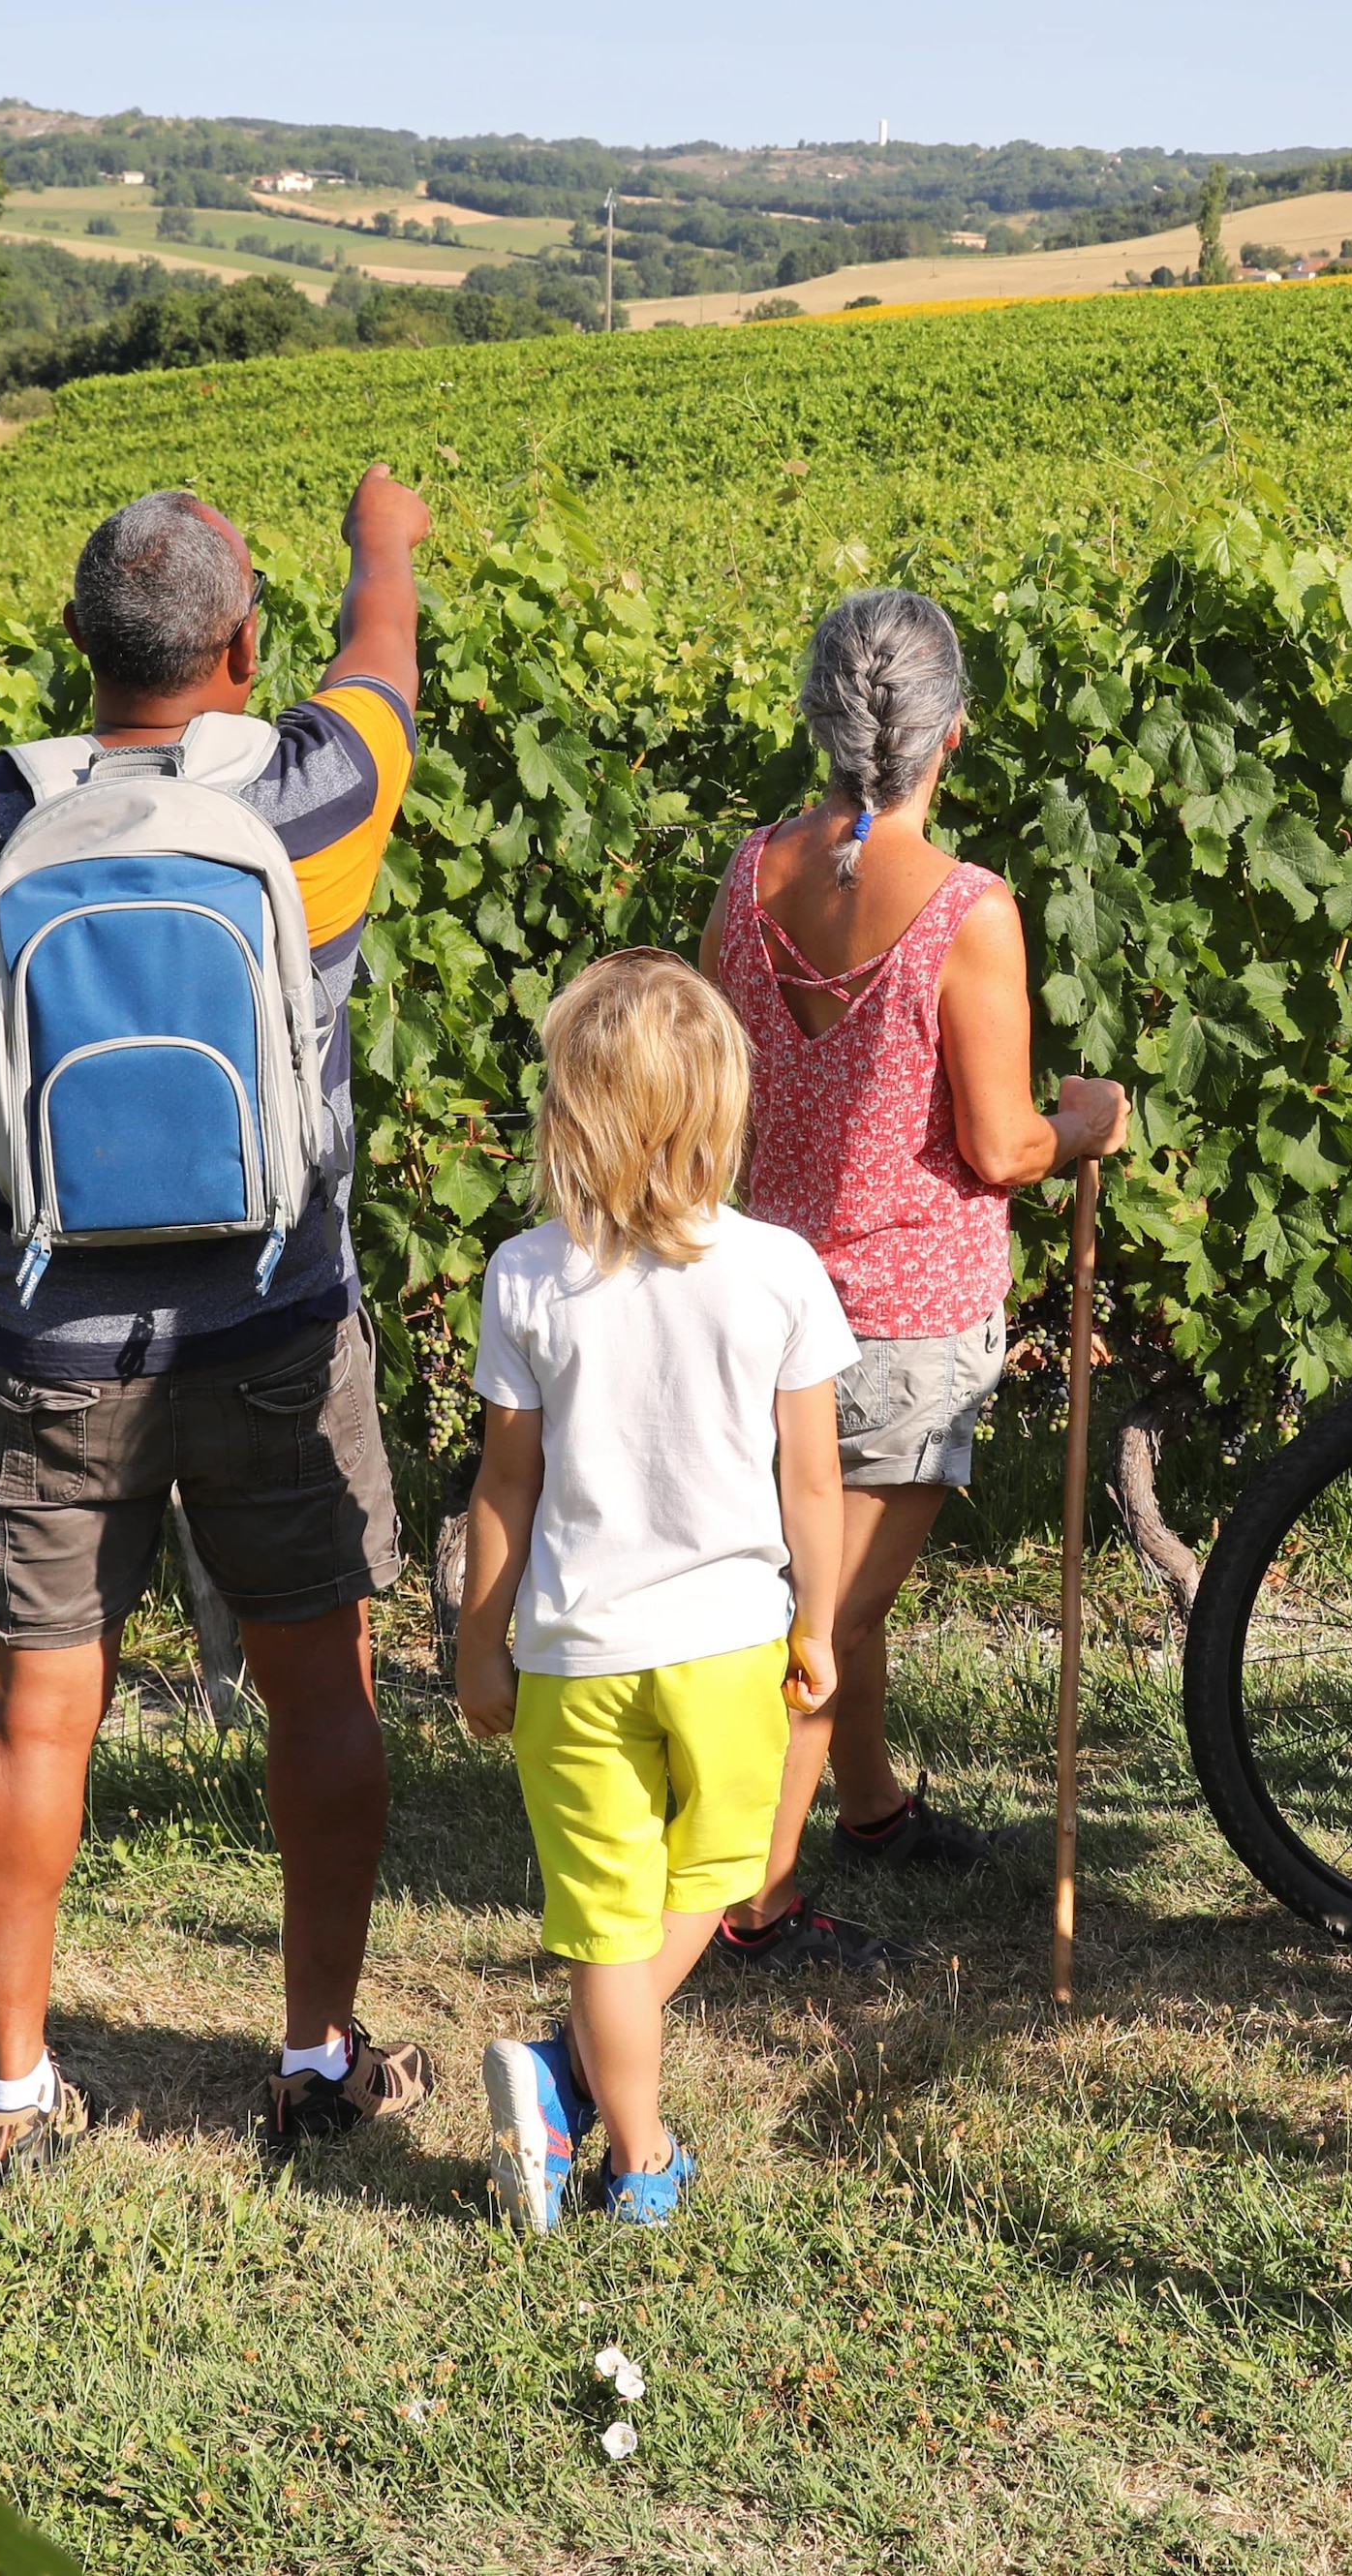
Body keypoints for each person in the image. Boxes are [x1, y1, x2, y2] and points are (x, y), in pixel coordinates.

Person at [0, 470, 439, 2184]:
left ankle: (19, 2097)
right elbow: (387, 659)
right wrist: (382, 535)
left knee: (36, 1713)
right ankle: (319, 2059)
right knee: (316, 1685)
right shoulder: (323, 796)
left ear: (72, 644)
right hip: (273, 1319)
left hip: (47, 1340)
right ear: (246, 646)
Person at [693, 591, 1127, 1969]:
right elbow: (1000, 1144)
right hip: (902, 1318)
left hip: (758, 1291)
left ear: (822, 720)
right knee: (828, 1618)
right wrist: (1089, 1122)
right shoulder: (967, 910)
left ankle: (871, 1811)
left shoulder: (750, 873)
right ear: (955, 733)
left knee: (822, 1587)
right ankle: (751, 1907)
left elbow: (716, 1088)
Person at [448, 951, 859, 2230]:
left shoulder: (526, 1274)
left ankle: (630, 2154)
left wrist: (480, 1640)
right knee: (718, 1875)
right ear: (723, 1108)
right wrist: (819, 1620)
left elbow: (502, 1486)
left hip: (573, 1650)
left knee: (607, 1923)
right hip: (732, 1645)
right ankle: (600, 2116)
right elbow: (812, 1481)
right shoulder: (780, 1268)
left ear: (569, 1113)